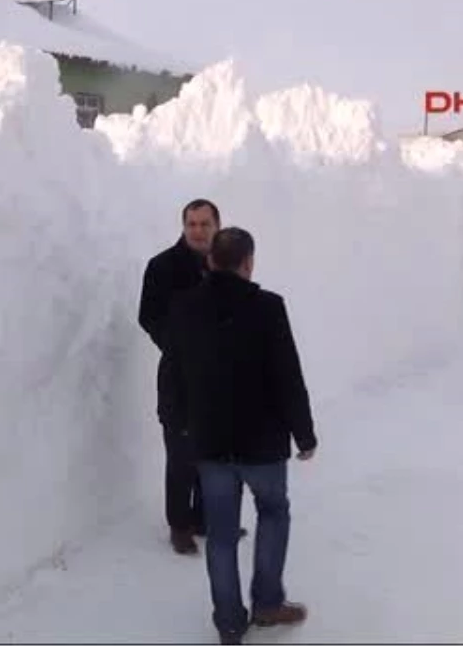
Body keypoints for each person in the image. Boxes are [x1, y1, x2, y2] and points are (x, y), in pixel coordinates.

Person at [164, 227, 317, 645]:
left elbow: (173, 371)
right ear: (248, 262)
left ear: (211, 260)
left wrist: (176, 421)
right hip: (262, 443)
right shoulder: (268, 308)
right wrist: (304, 435)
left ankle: (229, 622)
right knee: (273, 512)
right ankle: (267, 604)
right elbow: (288, 376)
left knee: (221, 533)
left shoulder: (183, 307)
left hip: (209, 442)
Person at [138, 198, 231, 556]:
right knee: (181, 455)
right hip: (180, 378)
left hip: (221, 378)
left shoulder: (228, 263)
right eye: (191, 224)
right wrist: (182, 346)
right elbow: (148, 316)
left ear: (217, 226)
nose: (197, 230)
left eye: (204, 224)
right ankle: (180, 525)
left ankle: (206, 518)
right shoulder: (162, 267)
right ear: (183, 226)